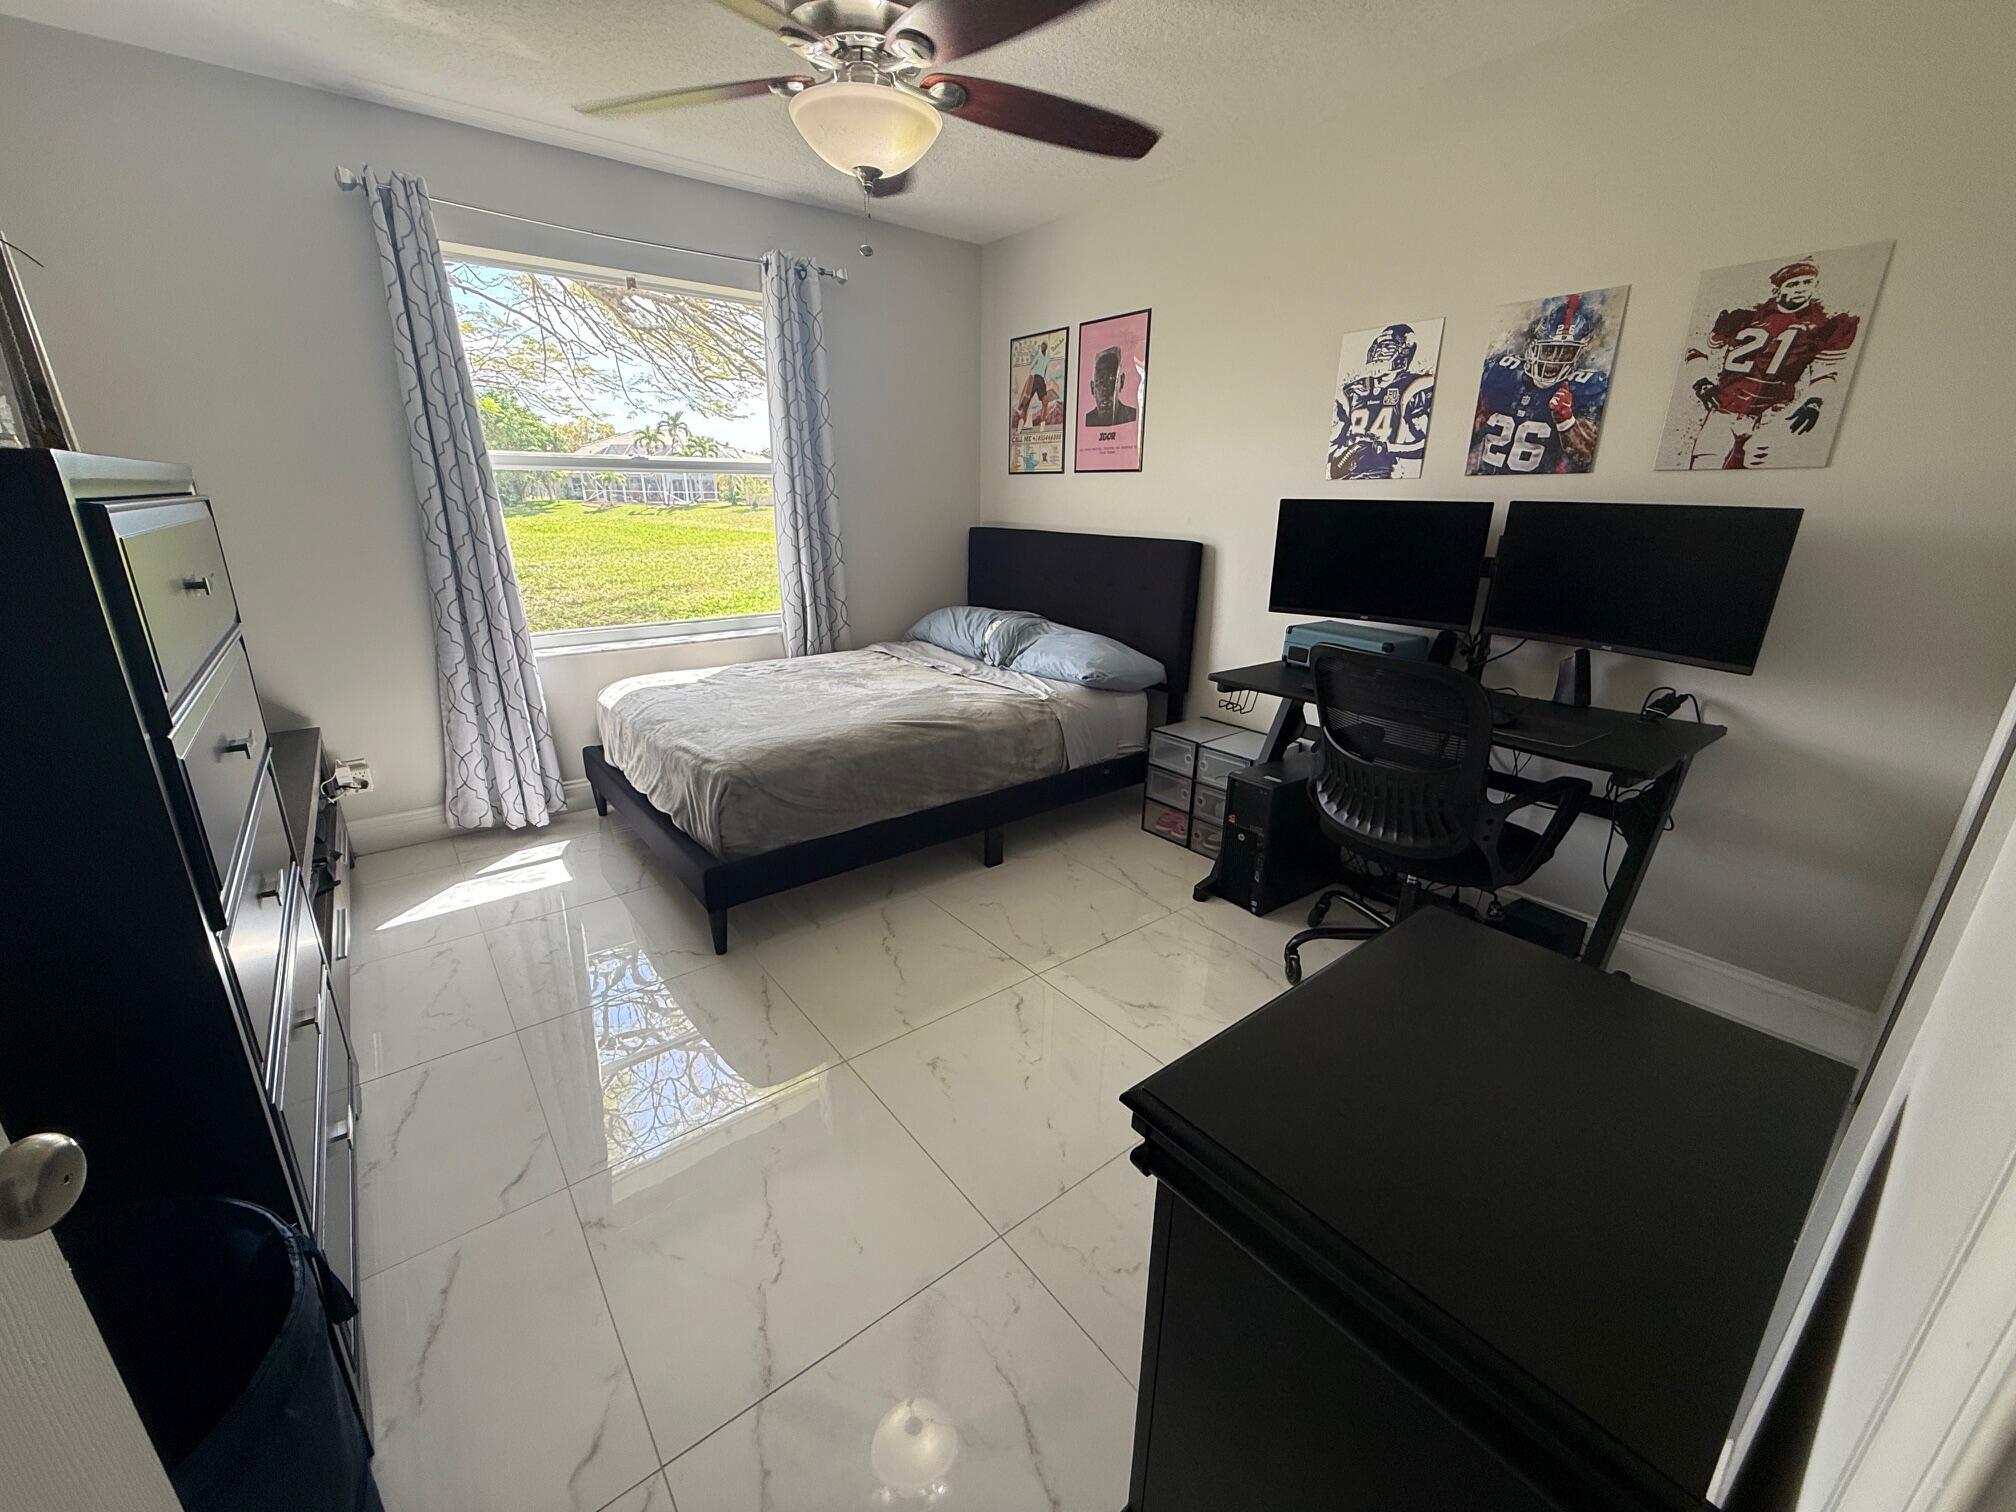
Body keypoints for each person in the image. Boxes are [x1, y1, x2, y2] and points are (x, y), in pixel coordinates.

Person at [1676, 260, 1860, 469]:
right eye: (1793, 284)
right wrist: (1701, 381)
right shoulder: (1744, 316)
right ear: (1777, 289)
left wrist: (1814, 401)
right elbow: (1697, 350)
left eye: (1807, 282)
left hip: (1773, 413)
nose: (1801, 288)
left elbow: (1825, 373)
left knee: (1757, 473)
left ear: (1815, 285)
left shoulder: (1823, 325)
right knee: (1705, 465)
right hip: (1727, 406)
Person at [1468, 293, 1608, 475]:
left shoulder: (1588, 386)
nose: (1553, 361)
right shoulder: (1500, 370)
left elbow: (1588, 456)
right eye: (1549, 350)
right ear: (1532, 346)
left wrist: (1566, 420)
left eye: (1565, 353)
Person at [1329, 323, 1437, 479]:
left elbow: (1424, 446)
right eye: (1377, 347)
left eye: (1387, 347)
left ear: (1404, 351)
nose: (1379, 353)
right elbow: (1335, 438)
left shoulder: (1414, 387)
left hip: (1385, 472)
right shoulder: (1352, 390)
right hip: (1347, 474)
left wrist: (1386, 448)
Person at [1084, 345, 1138, 427]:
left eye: (1111, 378)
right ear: (1092, 388)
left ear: (1121, 382)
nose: (1105, 388)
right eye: (1100, 380)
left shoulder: (1132, 414)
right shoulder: (1088, 419)